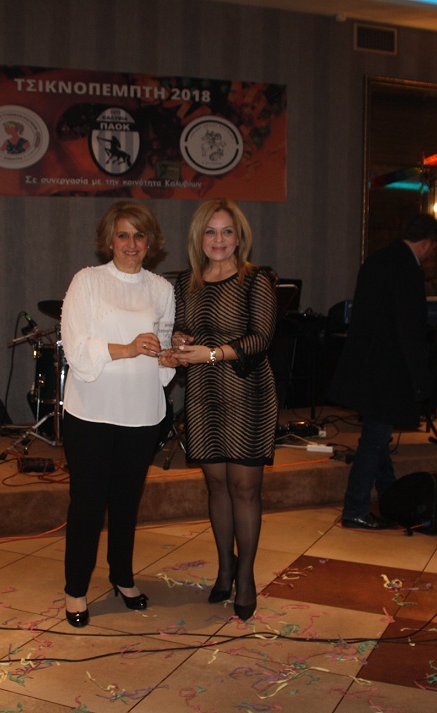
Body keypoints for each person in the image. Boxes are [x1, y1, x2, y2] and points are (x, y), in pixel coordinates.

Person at [59, 201, 176, 628]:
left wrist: (169, 357)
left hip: (141, 413)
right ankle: (75, 588)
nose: (131, 243)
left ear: (150, 242)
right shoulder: (87, 281)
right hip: (91, 412)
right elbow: (75, 349)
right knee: (88, 505)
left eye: (139, 235)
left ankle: (123, 577)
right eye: (123, 235)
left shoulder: (162, 289)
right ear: (109, 240)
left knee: (126, 504)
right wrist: (126, 348)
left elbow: (162, 359)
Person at [169, 198, 278, 621]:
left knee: (244, 488)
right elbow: (183, 327)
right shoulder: (186, 282)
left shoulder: (256, 280)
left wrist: (212, 353)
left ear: (239, 237)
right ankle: (225, 568)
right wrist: (179, 341)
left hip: (248, 393)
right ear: (199, 237)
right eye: (211, 231)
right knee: (216, 486)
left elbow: (261, 339)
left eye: (227, 231)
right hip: (204, 394)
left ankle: (246, 577)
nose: (219, 240)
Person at [326, 213, 437, 530]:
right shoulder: (408, 270)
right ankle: (355, 508)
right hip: (387, 371)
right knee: (375, 439)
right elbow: (409, 331)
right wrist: (421, 382)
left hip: (365, 365)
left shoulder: (377, 260)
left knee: (376, 436)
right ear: (427, 243)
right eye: (432, 249)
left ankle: (390, 496)